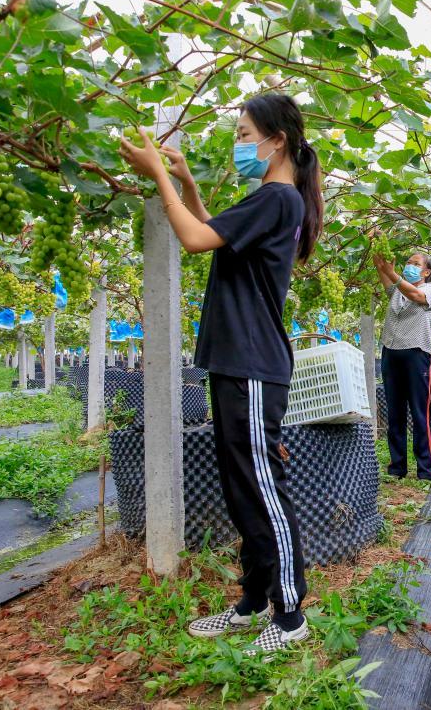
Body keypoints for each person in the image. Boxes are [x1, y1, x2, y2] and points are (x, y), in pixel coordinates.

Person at [119, 93, 320, 657]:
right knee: (240, 489)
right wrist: (186, 184)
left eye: (243, 132)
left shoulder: (279, 198)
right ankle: (254, 600)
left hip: (254, 365)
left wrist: (158, 171)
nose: (238, 143)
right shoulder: (267, 201)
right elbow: (213, 230)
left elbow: (195, 239)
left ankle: (289, 612)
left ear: (276, 140)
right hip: (238, 362)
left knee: (263, 489)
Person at [373, 248, 431, 481]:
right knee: (395, 413)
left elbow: (415, 296)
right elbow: (387, 279)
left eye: (415, 263)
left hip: (416, 354)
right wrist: (380, 262)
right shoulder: (397, 291)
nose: (409, 266)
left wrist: (392, 275)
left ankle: (425, 471)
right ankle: (397, 467)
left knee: (420, 413)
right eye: (407, 262)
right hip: (391, 352)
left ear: (426, 271)